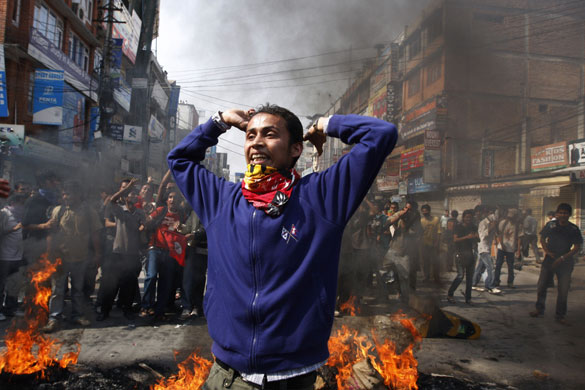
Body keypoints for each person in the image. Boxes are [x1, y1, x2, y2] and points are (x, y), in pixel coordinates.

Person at [168, 105, 396, 390]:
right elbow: (178, 158)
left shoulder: (321, 198)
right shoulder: (221, 200)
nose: (257, 142)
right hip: (227, 375)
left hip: (293, 377)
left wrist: (325, 124)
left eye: (270, 134)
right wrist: (220, 121)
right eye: (250, 135)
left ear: (295, 149)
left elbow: (381, 134)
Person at [43, 182, 102, 332]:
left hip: (81, 258)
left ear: (78, 195)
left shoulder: (89, 212)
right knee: (58, 290)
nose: (65, 197)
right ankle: (54, 318)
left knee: (78, 289)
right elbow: (51, 232)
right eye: (64, 194)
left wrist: (97, 254)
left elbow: (96, 234)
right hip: (60, 258)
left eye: (68, 194)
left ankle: (77, 315)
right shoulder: (58, 210)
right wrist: (49, 255)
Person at [97, 179, 146, 322]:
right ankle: (105, 311)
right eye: (128, 195)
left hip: (132, 254)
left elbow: (144, 225)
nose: (131, 197)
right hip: (117, 253)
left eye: (133, 195)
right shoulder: (119, 210)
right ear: (125, 198)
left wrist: (142, 228)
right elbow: (112, 200)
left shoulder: (140, 213)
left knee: (129, 284)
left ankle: (127, 309)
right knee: (110, 285)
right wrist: (128, 186)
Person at [530, 203, 582, 325]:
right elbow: (542, 238)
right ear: (557, 214)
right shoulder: (551, 225)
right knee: (542, 285)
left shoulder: (573, 229)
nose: (563, 215)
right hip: (550, 259)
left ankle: (560, 315)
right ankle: (539, 309)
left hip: (565, 262)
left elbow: (576, 247)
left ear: (569, 215)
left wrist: (563, 258)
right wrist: (547, 251)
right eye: (561, 212)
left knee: (563, 290)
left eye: (565, 213)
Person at [0, 193, 27, 320]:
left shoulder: (20, 215)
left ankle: (11, 308)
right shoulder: (4, 214)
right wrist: (13, 229)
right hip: (5, 256)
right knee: (2, 285)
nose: (22, 206)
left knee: (14, 284)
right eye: (20, 203)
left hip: (18, 256)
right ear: (13, 202)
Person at [447, 209, 478, 304]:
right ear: (463, 217)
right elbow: (455, 239)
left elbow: (477, 239)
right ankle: (450, 294)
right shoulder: (458, 226)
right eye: (467, 217)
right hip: (460, 253)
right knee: (460, 276)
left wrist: (476, 237)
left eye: (470, 217)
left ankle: (468, 298)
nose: (468, 219)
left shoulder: (473, 226)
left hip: (470, 254)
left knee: (470, 278)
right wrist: (467, 237)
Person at [472, 206, 501, 294]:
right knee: (491, 267)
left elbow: (496, 234)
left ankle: (473, 283)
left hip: (487, 247)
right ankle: (490, 286)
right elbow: (482, 236)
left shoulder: (492, 223)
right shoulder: (483, 223)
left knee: (480, 268)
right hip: (483, 248)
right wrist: (491, 227)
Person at [494, 208, 521, 288]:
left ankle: (510, 282)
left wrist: (518, 249)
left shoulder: (518, 225)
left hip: (511, 248)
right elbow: (499, 234)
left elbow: (519, 238)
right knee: (498, 265)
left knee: (510, 266)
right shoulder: (503, 223)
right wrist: (502, 245)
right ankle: (496, 281)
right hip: (502, 248)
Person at [420, 204, 441, 283]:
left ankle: (436, 277)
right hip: (424, 244)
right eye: (423, 212)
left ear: (429, 211)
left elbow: (439, 231)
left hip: (434, 243)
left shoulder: (436, 219)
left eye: (426, 212)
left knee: (435, 261)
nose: (425, 213)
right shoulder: (421, 221)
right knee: (425, 262)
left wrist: (437, 242)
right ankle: (426, 277)